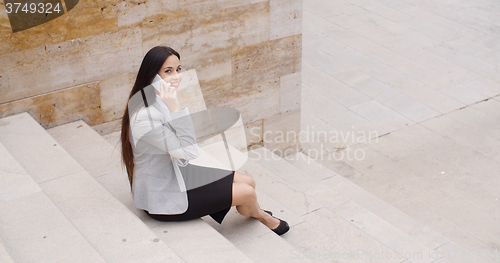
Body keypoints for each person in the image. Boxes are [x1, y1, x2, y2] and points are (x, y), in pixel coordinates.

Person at [120, 46, 289, 235]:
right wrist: (176, 111)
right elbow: (190, 151)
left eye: (178, 69)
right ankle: (260, 215)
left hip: (179, 172)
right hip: (165, 195)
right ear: (153, 76)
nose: (176, 76)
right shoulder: (145, 116)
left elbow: (183, 146)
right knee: (248, 193)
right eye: (168, 71)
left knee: (249, 182)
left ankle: (250, 208)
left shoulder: (159, 98)